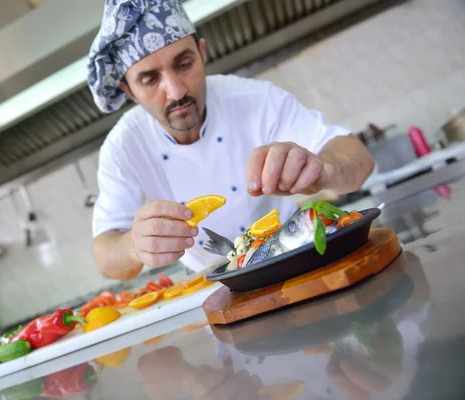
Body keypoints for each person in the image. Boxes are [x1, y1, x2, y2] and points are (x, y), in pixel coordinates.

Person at [86, 0, 374, 280]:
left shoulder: (254, 99)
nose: (175, 91)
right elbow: (105, 255)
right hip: (211, 285)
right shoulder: (123, 146)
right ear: (130, 91)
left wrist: (323, 170)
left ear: (202, 53)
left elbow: (359, 159)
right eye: (150, 80)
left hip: (295, 259)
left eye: (184, 64)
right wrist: (133, 246)